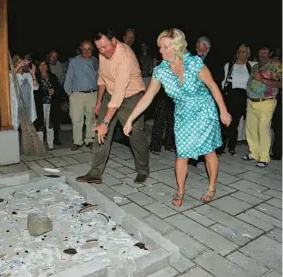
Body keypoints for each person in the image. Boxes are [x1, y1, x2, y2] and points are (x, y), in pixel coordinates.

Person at [123, 28, 231, 207]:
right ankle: (180, 190)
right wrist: (130, 119)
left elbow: (212, 86)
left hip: (204, 110)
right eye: (160, 47)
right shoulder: (161, 71)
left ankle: (212, 187)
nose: (161, 51)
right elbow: (147, 97)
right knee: (182, 154)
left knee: (208, 151)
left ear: (177, 47)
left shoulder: (195, 63)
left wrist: (223, 110)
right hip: (183, 114)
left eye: (166, 47)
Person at [76, 28, 149, 184]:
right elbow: (102, 77)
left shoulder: (125, 56)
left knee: (135, 134)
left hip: (131, 97)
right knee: (100, 133)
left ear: (114, 41)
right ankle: (95, 173)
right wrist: (99, 101)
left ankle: (142, 169)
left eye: (105, 47)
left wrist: (106, 122)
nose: (102, 51)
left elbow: (119, 93)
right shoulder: (103, 53)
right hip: (111, 94)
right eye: (99, 49)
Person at [64, 40, 99, 150]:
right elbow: (68, 79)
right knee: (76, 119)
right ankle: (77, 141)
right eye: (84, 49)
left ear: (92, 49)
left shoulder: (96, 61)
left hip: (93, 94)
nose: (86, 51)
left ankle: (90, 140)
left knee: (91, 119)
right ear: (81, 49)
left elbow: (100, 78)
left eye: (89, 49)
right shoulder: (74, 61)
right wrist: (71, 95)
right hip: (77, 95)